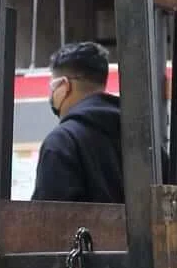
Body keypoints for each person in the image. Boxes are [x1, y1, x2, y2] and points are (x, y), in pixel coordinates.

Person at [32, 41, 124, 203]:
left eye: (53, 86)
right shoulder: (140, 138)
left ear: (63, 85)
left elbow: (45, 220)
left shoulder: (63, 142)